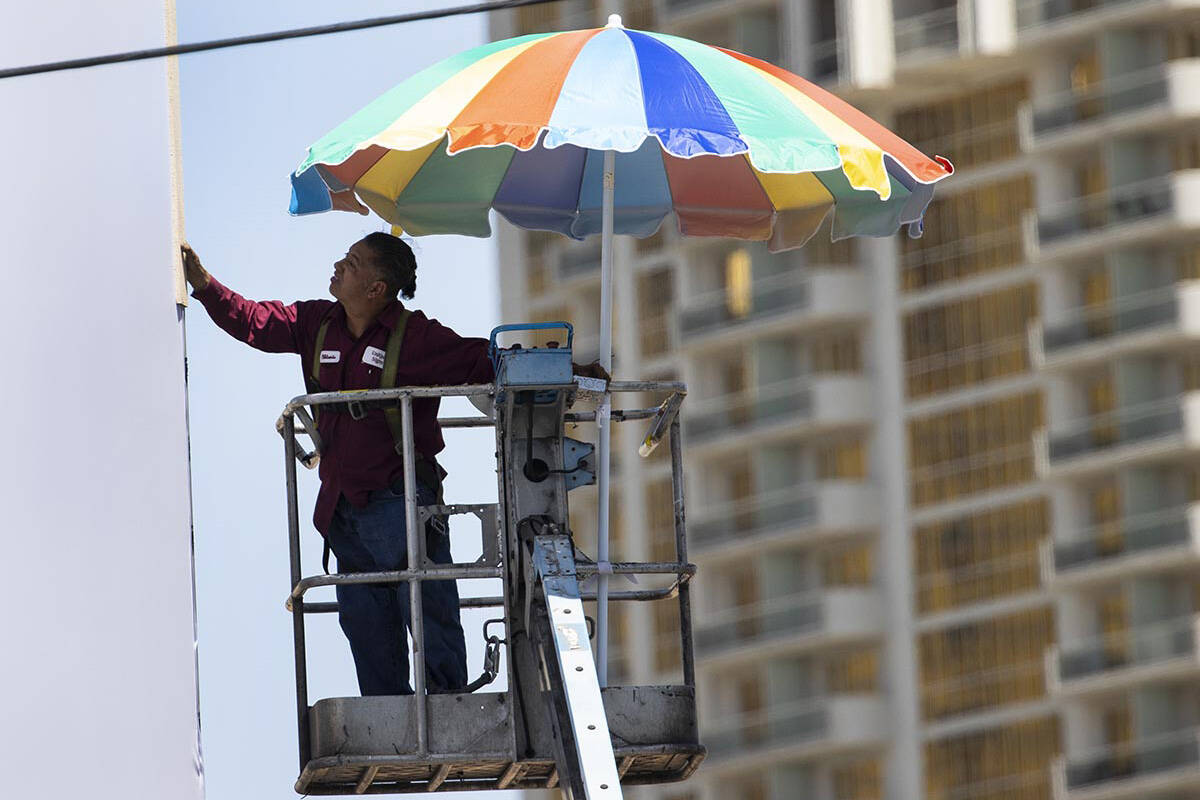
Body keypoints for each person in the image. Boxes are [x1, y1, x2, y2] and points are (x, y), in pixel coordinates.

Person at [182, 233, 494, 697]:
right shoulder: (317, 323)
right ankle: (387, 717)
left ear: (376, 289)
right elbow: (255, 322)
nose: (337, 266)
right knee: (366, 624)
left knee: (428, 608)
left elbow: (481, 359)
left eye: (352, 262)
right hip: (344, 510)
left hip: (400, 501)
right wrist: (204, 285)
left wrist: (575, 369)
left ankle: (448, 706)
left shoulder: (415, 338)